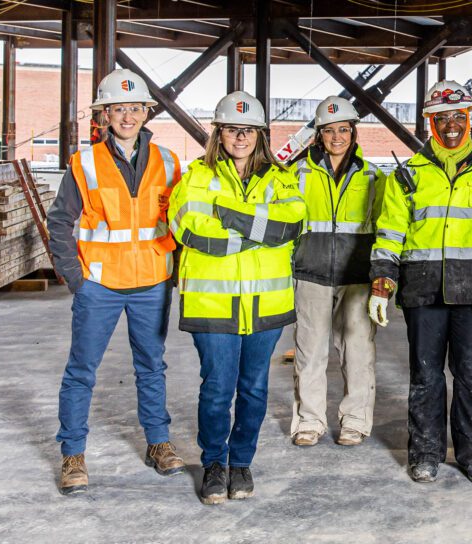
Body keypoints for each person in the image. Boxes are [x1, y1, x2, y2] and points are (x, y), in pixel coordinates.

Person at [368, 80, 472, 485]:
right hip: (424, 290)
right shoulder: (409, 175)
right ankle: (425, 453)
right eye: (442, 118)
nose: (451, 125)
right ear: (429, 123)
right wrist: (382, 284)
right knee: (425, 375)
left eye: (459, 117)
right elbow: (390, 234)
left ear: (471, 120)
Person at [48, 68, 184, 495]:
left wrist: (175, 274)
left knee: (152, 367)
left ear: (147, 112)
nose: (128, 116)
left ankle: (158, 444)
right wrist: (76, 278)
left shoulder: (168, 161)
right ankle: (73, 454)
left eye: (135, 108)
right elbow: (59, 221)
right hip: (100, 286)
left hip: (152, 282)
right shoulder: (85, 162)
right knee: (81, 371)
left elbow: (180, 222)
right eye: (119, 108)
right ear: (105, 114)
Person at [169, 91, 306, 505]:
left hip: (266, 306)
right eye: (232, 129)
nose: (240, 137)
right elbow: (188, 229)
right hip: (212, 306)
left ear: (260, 135)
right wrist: (254, 233)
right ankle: (214, 463)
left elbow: (291, 225)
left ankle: (241, 462)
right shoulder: (195, 176)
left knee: (253, 389)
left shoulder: (282, 178)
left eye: (248, 130)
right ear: (219, 133)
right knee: (216, 389)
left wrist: (225, 214)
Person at [288, 96, 384, 448]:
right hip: (311, 273)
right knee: (310, 352)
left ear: (353, 132)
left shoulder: (373, 176)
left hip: (357, 277)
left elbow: (383, 227)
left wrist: (380, 276)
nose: (337, 137)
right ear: (318, 135)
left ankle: (355, 420)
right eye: (329, 131)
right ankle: (310, 422)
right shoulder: (298, 174)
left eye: (343, 129)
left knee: (358, 352)